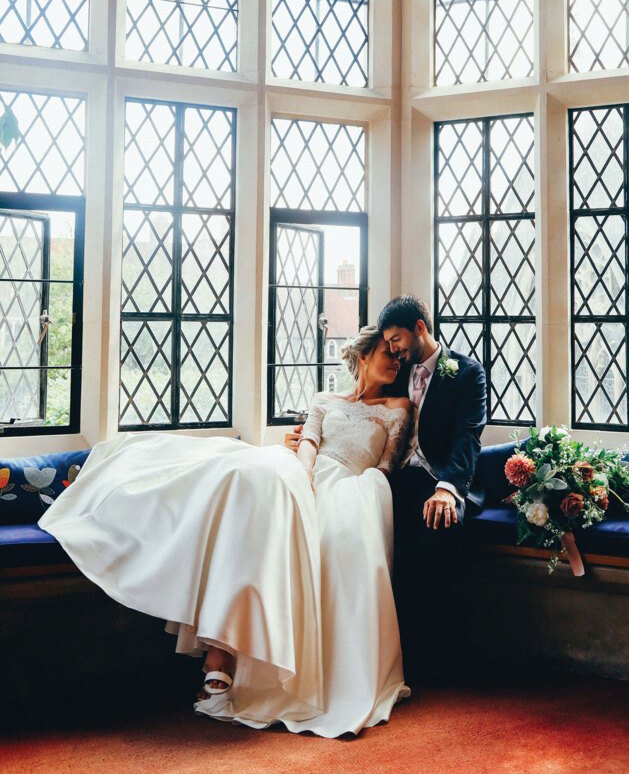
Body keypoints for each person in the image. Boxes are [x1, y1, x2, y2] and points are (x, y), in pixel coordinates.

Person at [39, 327, 413, 738]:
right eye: (387, 353)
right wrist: (303, 475)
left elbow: (386, 465)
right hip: (299, 472)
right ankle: (218, 651)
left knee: (262, 511)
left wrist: (347, 495)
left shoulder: (397, 406)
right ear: (362, 357)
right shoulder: (325, 400)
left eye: (398, 356)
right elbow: (309, 442)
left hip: (347, 486)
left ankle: (223, 657)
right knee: (237, 476)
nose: (396, 362)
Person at [285, 296, 487, 683]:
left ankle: (422, 655)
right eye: (389, 345)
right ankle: (362, 651)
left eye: (397, 340)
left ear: (420, 329)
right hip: (389, 478)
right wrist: (306, 435)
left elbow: (467, 440)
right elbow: (357, 401)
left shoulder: (466, 373)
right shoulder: (395, 365)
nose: (393, 350)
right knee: (352, 528)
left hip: (438, 479)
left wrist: (447, 489)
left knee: (440, 524)